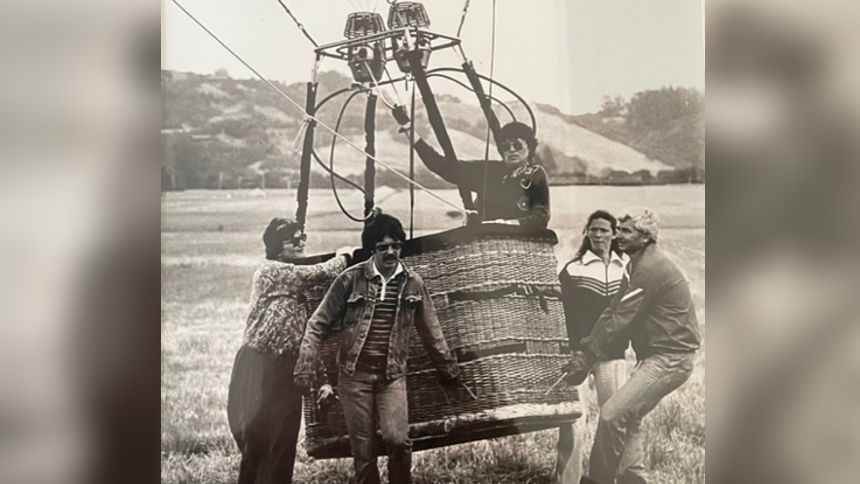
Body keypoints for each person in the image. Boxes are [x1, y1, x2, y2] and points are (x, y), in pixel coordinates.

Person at [294, 213, 461, 484]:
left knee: (398, 440)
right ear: (372, 250)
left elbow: (432, 331)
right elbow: (317, 324)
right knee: (364, 451)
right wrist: (304, 365)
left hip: (391, 376)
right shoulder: (350, 280)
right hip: (353, 377)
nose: (391, 252)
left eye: (395, 246)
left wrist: (449, 369)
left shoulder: (413, 283)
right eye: (383, 247)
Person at [563, 208, 702, 484]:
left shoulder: (649, 269)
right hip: (656, 358)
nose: (618, 235)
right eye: (620, 229)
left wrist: (587, 356)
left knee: (612, 414)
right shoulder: (632, 266)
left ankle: (598, 480)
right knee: (629, 419)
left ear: (646, 237)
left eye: (626, 231)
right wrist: (586, 349)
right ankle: (633, 479)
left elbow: (620, 322)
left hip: (671, 359)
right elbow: (611, 312)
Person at [227, 218, 353, 484]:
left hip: (288, 368)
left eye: (303, 237)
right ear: (276, 246)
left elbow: (309, 335)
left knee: (283, 440)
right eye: (293, 239)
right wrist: (343, 257)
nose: (301, 242)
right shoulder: (270, 271)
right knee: (255, 437)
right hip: (257, 363)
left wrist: (320, 379)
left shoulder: (302, 293)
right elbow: (313, 273)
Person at [556, 210, 644, 484]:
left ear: (614, 234)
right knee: (573, 421)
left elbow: (634, 312)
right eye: (592, 229)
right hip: (578, 356)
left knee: (617, 417)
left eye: (603, 230)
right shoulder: (573, 269)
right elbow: (560, 313)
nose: (597, 235)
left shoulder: (628, 269)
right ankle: (566, 480)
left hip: (613, 355)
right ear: (587, 233)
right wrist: (569, 350)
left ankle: (618, 478)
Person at [391, 105, 550, 229]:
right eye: (506, 146)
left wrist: (505, 225)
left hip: (519, 246)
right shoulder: (490, 171)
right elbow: (443, 166)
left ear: (529, 148)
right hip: (485, 246)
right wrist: (409, 129)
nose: (512, 150)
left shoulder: (536, 174)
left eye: (517, 145)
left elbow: (541, 217)